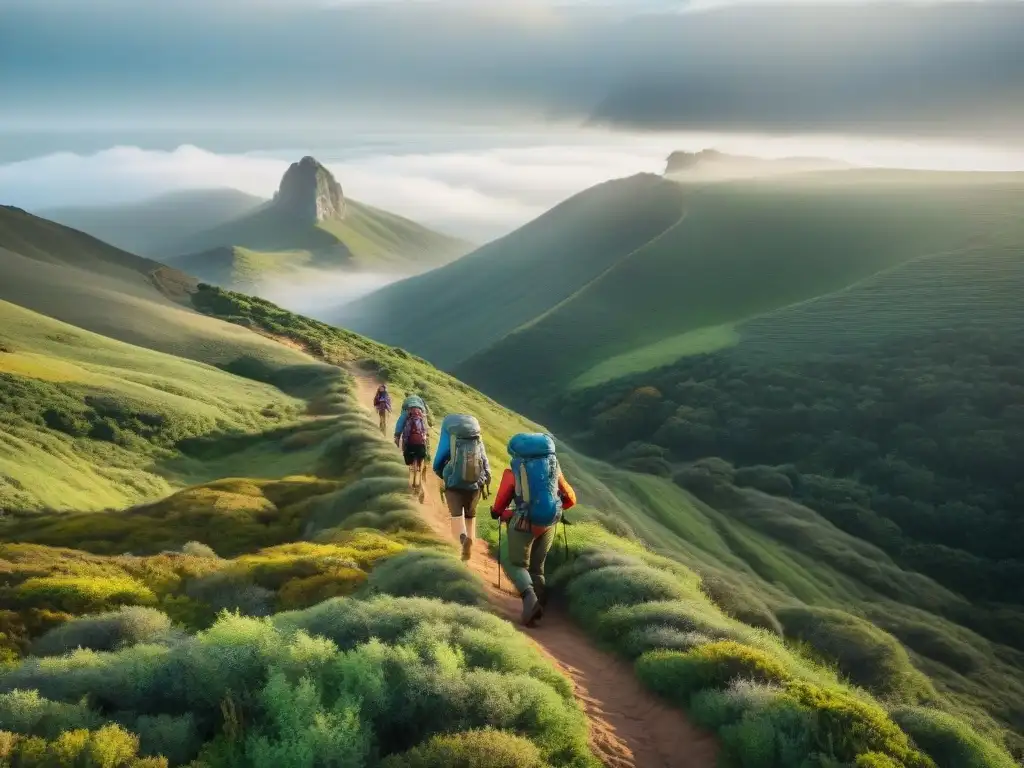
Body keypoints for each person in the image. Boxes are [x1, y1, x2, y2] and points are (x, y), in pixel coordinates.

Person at [490, 433, 576, 626]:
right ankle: (541, 606)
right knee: (538, 567)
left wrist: (499, 514)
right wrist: (552, 511)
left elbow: (500, 504)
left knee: (514, 562)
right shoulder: (554, 469)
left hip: (524, 524)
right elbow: (571, 498)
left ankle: (530, 601)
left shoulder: (513, 473)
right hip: (550, 523)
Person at [433, 414, 491, 561]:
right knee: (471, 515)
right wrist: (485, 479)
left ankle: (462, 542)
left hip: (454, 483)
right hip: (474, 485)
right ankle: (470, 541)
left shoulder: (451, 434)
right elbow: (484, 459)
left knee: (456, 515)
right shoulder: (476, 437)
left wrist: (439, 472)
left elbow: (440, 456)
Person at [394, 394, 431, 487]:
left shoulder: (406, 409)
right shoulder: (422, 413)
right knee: (426, 446)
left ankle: (408, 463)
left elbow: (400, 425)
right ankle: (426, 464)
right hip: (420, 440)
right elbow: (426, 428)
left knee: (405, 443)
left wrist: (397, 436)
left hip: (409, 441)